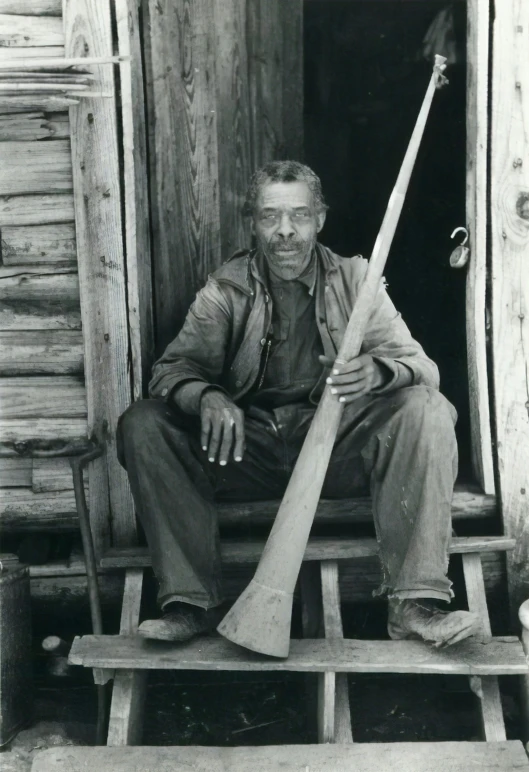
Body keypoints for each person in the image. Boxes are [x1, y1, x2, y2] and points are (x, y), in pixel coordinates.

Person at [117, 160, 479, 648]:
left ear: (320, 219)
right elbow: (170, 371)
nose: (285, 232)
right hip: (249, 451)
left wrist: (380, 371)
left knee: (428, 409)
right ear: (252, 222)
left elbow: (424, 368)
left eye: (299, 216)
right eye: (270, 216)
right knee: (142, 423)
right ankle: (190, 602)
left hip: (335, 451)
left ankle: (415, 603)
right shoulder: (225, 290)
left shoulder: (357, 281)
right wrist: (207, 395)